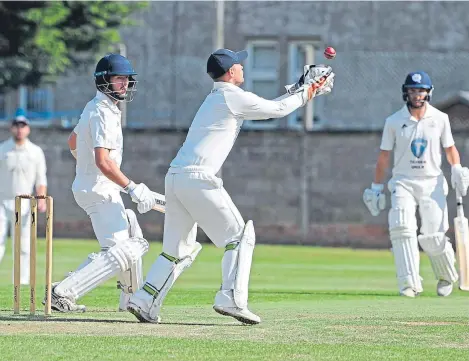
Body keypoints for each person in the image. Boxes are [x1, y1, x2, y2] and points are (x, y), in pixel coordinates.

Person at [127, 48, 335, 324]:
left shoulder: (220, 97)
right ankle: (232, 299)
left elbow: (270, 105)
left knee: (178, 251)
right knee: (239, 236)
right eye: (239, 64)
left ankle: (144, 300)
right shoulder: (231, 96)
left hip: (176, 177)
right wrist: (309, 91)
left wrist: (301, 87)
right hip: (198, 178)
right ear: (230, 71)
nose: (243, 67)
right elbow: (278, 110)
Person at [47, 54, 163, 312]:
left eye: (127, 79)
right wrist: (133, 188)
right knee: (127, 249)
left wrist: (85, 168)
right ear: (103, 81)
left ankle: (129, 298)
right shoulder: (102, 112)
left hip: (96, 186)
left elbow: (73, 142)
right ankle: (63, 291)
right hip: (99, 190)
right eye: (119, 79)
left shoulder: (97, 107)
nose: (125, 84)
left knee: (131, 231)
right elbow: (103, 161)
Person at [363, 71, 469, 297]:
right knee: (401, 227)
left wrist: (457, 168)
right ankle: (409, 283)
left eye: (420, 90)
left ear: (428, 92)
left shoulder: (440, 118)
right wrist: (376, 187)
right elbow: (383, 156)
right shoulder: (393, 121)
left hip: (432, 182)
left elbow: (450, 149)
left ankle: (445, 276)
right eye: (412, 90)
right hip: (403, 181)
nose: (417, 94)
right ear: (406, 92)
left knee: (434, 236)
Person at [0, 109, 47, 285]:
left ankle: (22, 282)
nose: (19, 129)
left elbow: (41, 178)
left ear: (28, 129)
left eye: (23, 126)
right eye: (16, 126)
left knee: (23, 245)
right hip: (2, 201)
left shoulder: (35, 152)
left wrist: (41, 199)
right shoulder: (2, 149)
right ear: (11, 128)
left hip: (25, 204)